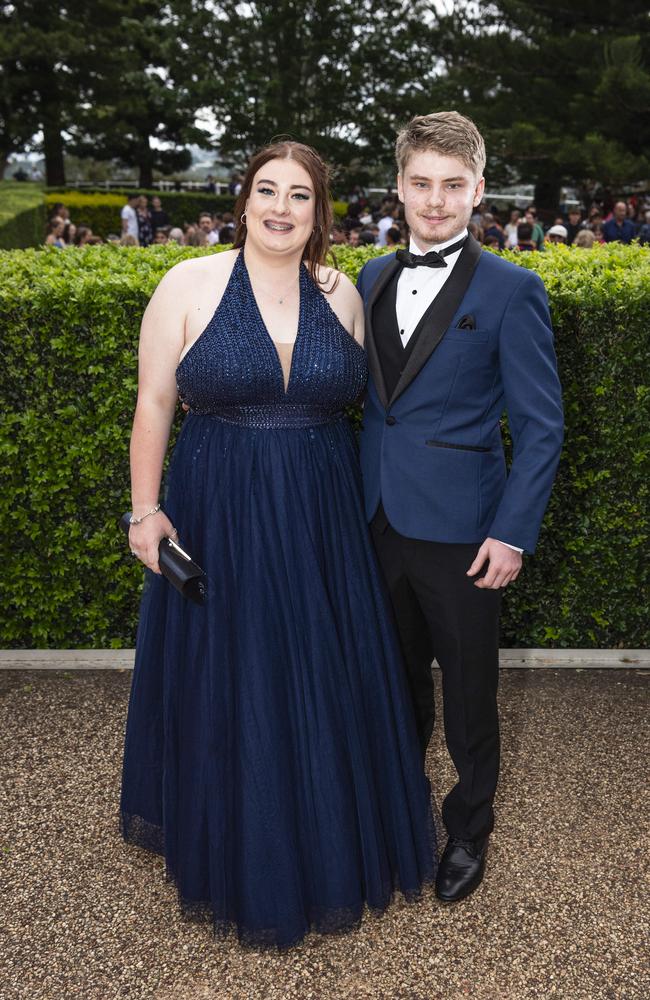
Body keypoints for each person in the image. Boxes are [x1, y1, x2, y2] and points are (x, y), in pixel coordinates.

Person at [121, 140, 436, 949]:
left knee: (321, 672)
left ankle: (327, 835)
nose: (282, 208)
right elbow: (155, 401)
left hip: (323, 517)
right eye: (268, 190)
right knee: (237, 670)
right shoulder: (187, 283)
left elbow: (377, 415)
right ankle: (240, 842)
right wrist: (144, 512)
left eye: (300, 195)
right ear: (244, 199)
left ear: (319, 210)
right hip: (220, 506)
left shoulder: (342, 293)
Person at [356, 111, 563, 905]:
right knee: (391, 680)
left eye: (452, 186)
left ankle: (468, 829)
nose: (435, 202)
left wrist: (512, 532)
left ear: (479, 189)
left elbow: (543, 428)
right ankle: (400, 816)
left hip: (468, 535)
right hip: (375, 523)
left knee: (470, 692)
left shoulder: (515, 290)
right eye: (420, 185)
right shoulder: (369, 278)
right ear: (400, 186)